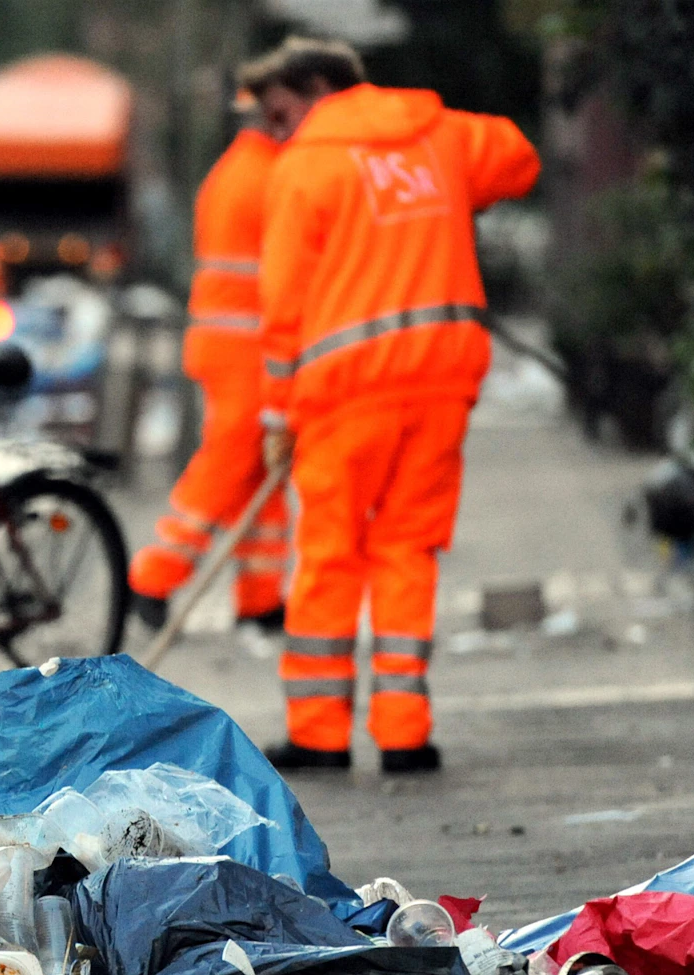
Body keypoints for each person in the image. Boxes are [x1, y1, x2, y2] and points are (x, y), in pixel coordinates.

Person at [255, 38, 540, 773]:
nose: (276, 131)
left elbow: (283, 308)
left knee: (329, 554)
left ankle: (319, 731)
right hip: (442, 377)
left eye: (282, 112)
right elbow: (518, 156)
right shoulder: (437, 134)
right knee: (408, 549)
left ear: (320, 88)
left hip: (345, 389)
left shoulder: (305, 167)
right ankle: (404, 731)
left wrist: (277, 414)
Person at [128, 61, 298, 633]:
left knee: (255, 471)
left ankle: (261, 598)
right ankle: (152, 577)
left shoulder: (231, 171)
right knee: (228, 464)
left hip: (221, 342)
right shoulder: (276, 178)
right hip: (248, 349)